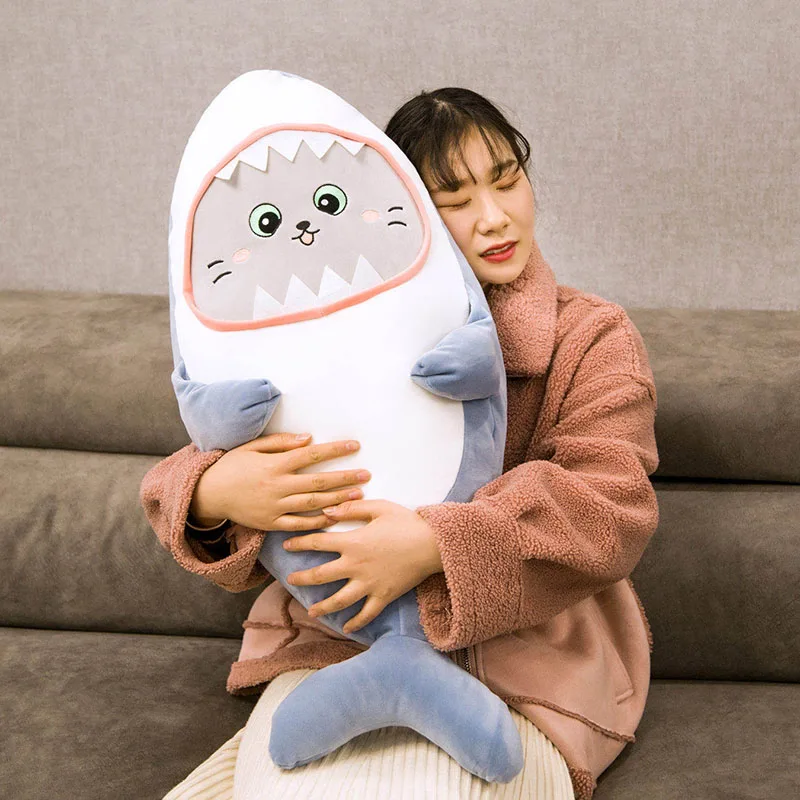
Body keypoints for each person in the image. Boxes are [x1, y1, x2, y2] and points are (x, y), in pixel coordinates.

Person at [141, 87, 659, 800]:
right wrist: (213, 492)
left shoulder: (592, 335)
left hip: (529, 655)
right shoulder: (315, 336)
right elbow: (184, 470)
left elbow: (611, 505)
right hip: (337, 646)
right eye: (455, 200)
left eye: (507, 179)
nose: (494, 217)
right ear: (400, 203)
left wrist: (434, 543)